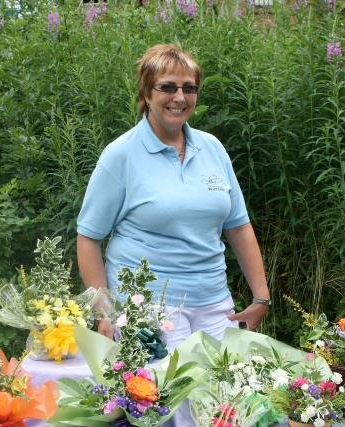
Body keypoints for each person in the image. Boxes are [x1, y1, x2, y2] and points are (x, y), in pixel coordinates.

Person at [77, 43, 270, 351]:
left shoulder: (212, 149)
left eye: (189, 88)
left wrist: (261, 295)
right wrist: (105, 312)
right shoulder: (121, 155)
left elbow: (238, 226)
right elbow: (89, 237)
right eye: (168, 87)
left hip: (215, 304)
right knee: (166, 396)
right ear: (146, 93)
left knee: (222, 395)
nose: (180, 97)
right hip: (150, 310)